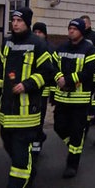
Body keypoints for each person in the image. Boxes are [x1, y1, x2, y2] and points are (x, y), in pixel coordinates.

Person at [0, 8, 53, 188]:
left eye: (19, 20)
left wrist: (27, 84)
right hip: (7, 110)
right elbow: (0, 70)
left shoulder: (38, 43)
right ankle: (28, 167)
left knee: (19, 154)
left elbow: (47, 72)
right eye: (13, 20)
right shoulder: (7, 43)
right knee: (8, 143)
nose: (15, 23)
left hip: (28, 110)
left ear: (27, 22)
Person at [52, 18, 95, 178]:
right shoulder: (61, 47)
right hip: (62, 97)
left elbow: (90, 70)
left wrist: (69, 80)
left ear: (81, 31)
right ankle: (74, 145)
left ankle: (72, 164)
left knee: (77, 131)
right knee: (58, 126)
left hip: (80, 99)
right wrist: (59, 78)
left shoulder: (89, 49)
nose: (71, 31)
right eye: (69, 28)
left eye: (74, 29)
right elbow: (53, 65)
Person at [32, 21, 55, 159]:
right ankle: (37, 137)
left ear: (45, 34)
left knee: (39, 119)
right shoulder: (29, 46)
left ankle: (36, 144)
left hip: (44, 91)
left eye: (40, 32)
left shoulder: (50, 49)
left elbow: (52, 72)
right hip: (30, 89)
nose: (37, 35)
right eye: (35, 32)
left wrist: (53, 93)